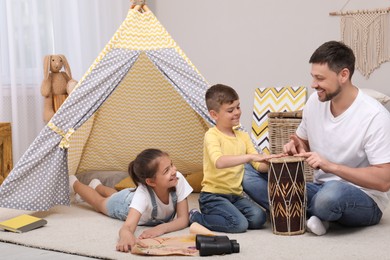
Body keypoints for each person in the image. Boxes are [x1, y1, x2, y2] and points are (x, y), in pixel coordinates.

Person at [282, 41, 390, 235]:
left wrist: (331, 166)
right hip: (320, 187)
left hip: (363, 196)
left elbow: (384, 180)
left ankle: (302, 210)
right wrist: (296, 145)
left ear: (343, 75)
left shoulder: (375, 116)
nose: (314, 85)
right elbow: (302, 141)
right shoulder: (315, 101)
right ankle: (321, 216)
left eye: (320, 78)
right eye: (313, 77)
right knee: (250, 176)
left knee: (329, 198)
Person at [189, 84, 279, 233]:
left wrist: (271, 162)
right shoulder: (212, 135)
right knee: (239, 225)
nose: (237, 112)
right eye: (230, 110)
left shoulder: (242, 136)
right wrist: (249, 156)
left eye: (238, 107)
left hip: (236, 196)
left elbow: (258, 166)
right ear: (214, 115)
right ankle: (196, 217)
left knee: (259, 218)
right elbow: (219, 162)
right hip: (213, 196)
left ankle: (226, 214)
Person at [69, 148, 193, 252]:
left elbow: (183, 219)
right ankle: (74, 183)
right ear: (150, 182)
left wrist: (161, 228)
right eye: (167, 170)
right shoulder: (142, 195)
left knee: (115, 195)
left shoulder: (178, 179)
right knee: (100, 203)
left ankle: (97, 185)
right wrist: (126, 237)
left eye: (171, 164)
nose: (174, 170)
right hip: (124, 204)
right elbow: (127, 227)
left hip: (129, 196)